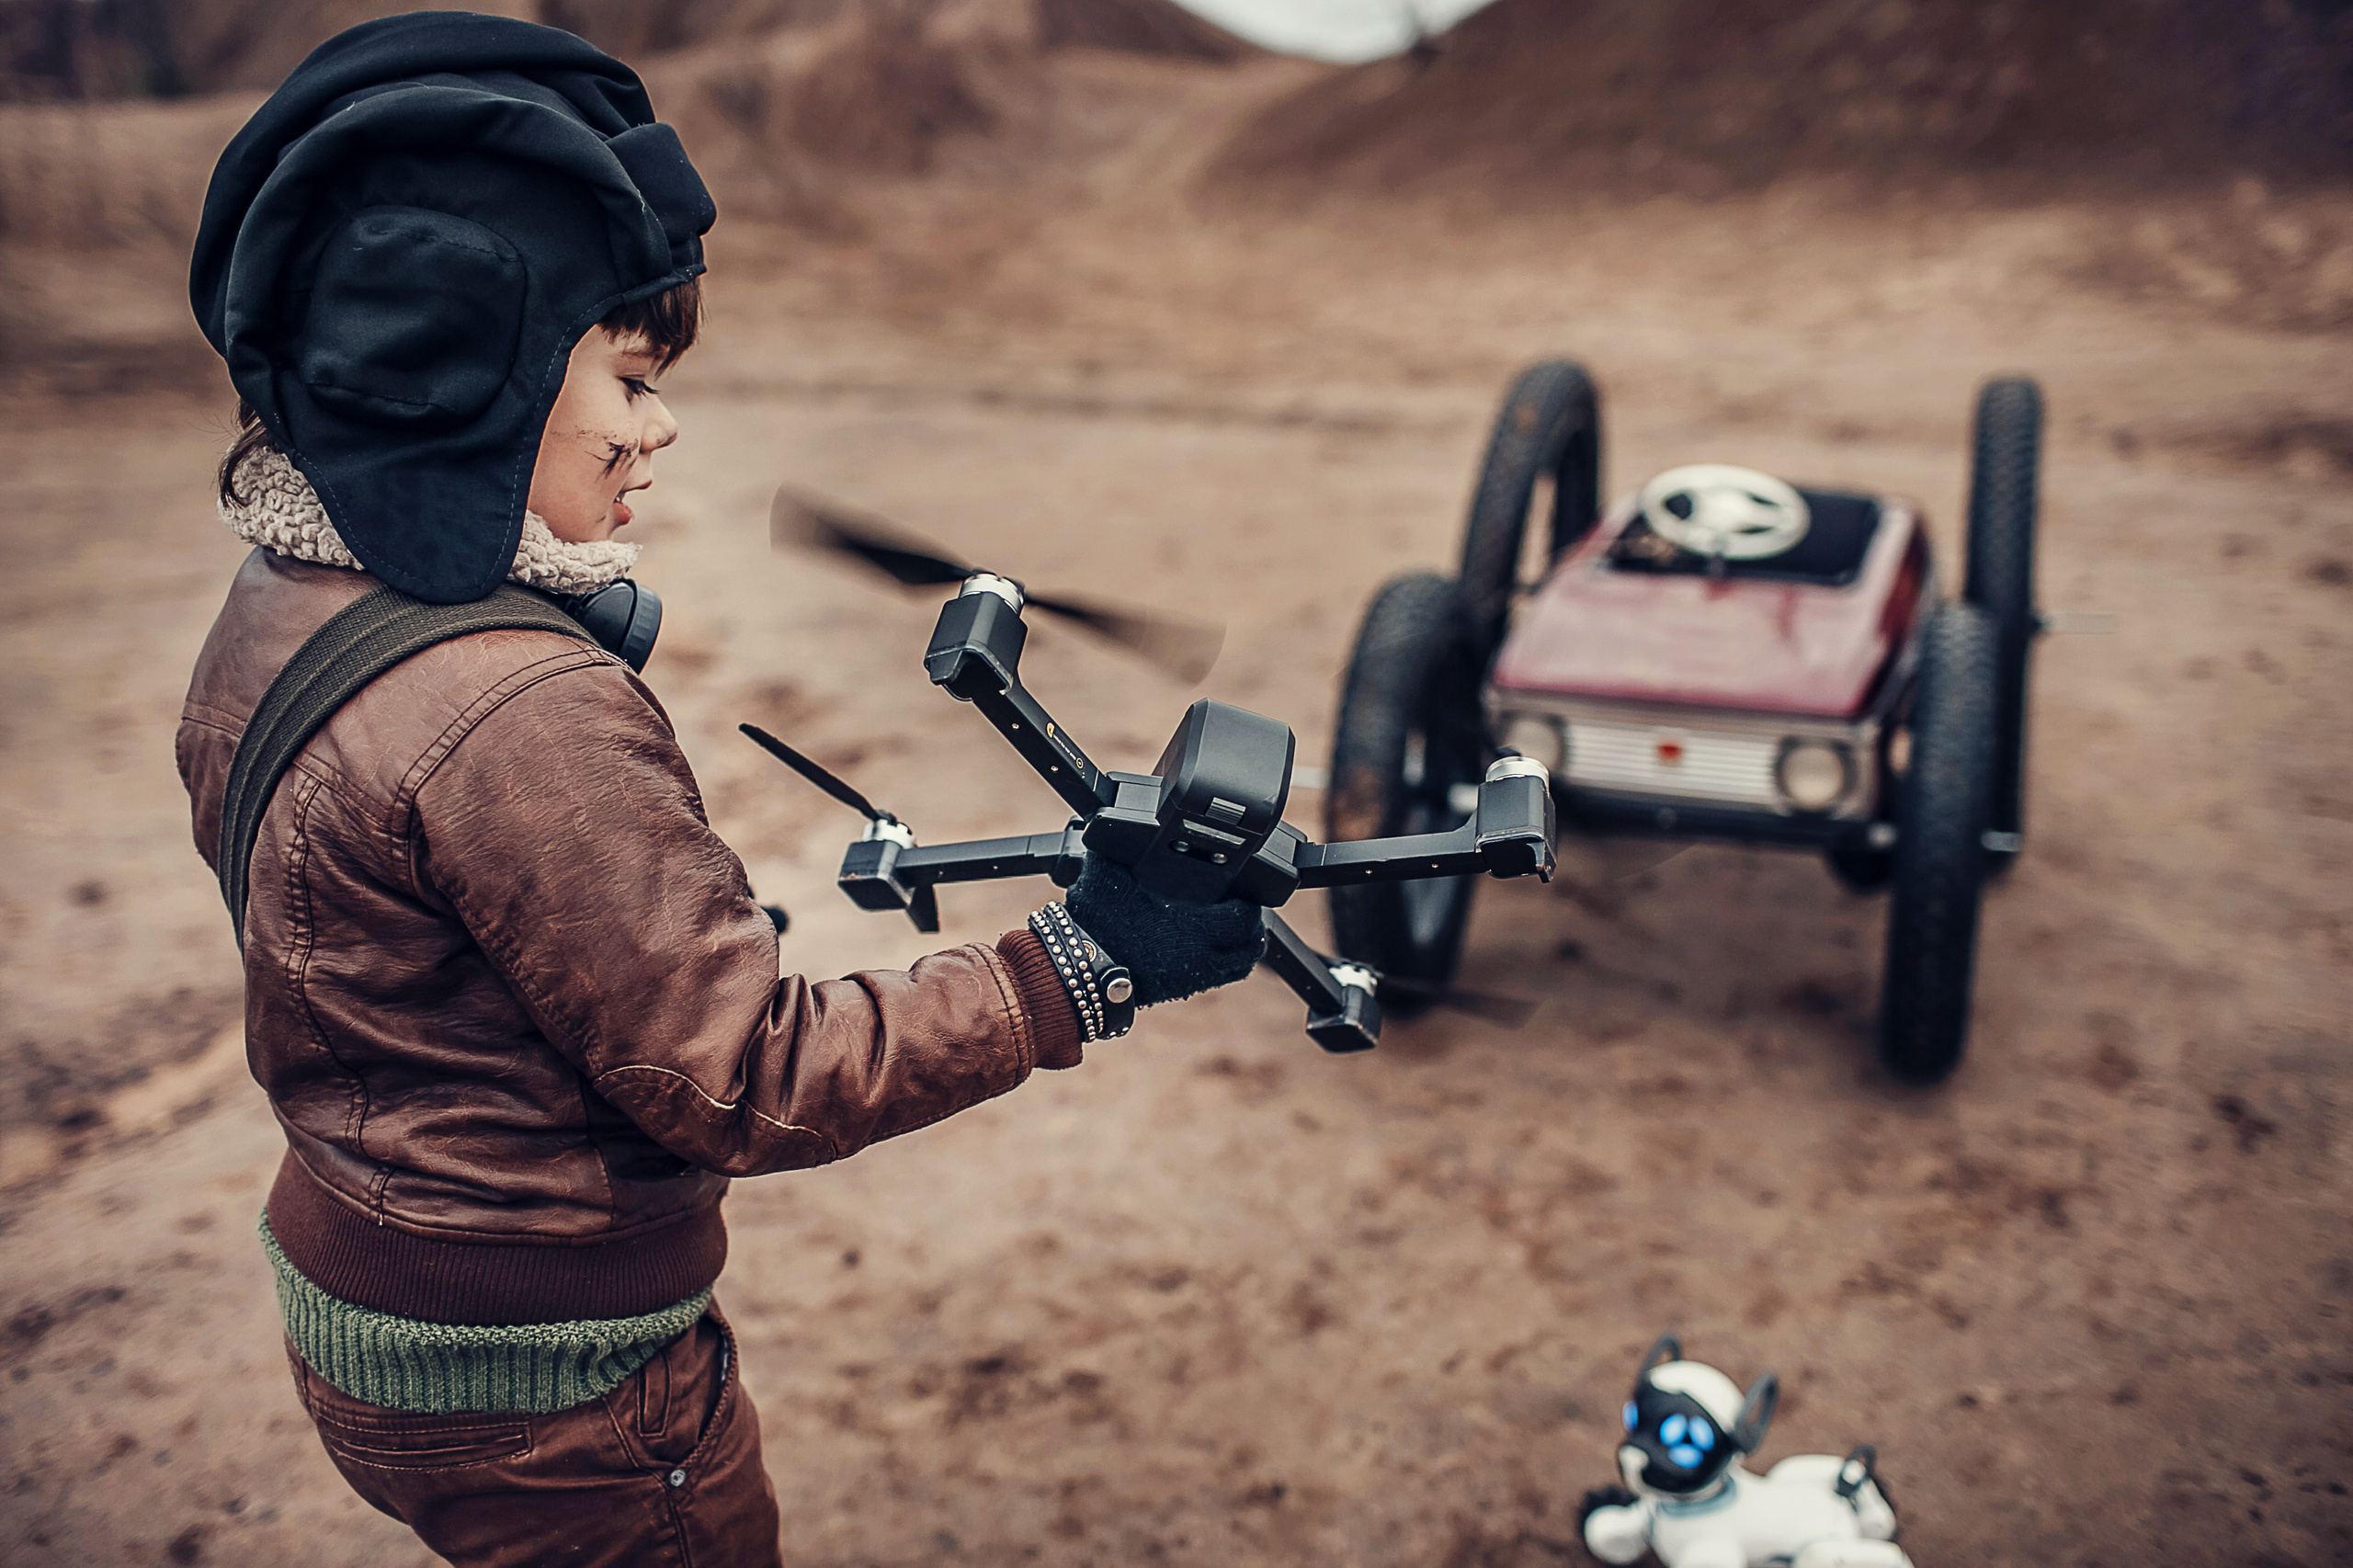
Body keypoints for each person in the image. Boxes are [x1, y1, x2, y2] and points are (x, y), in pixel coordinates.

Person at [176, 16, 1262, 1567]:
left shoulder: (280, 603)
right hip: (559, 1400)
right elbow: (743, 1071)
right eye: (626, 373)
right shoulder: (517, 706)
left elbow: (395, 939)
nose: (657, 424)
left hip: (372, 1312)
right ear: (461, 374)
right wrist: (1081, 965)